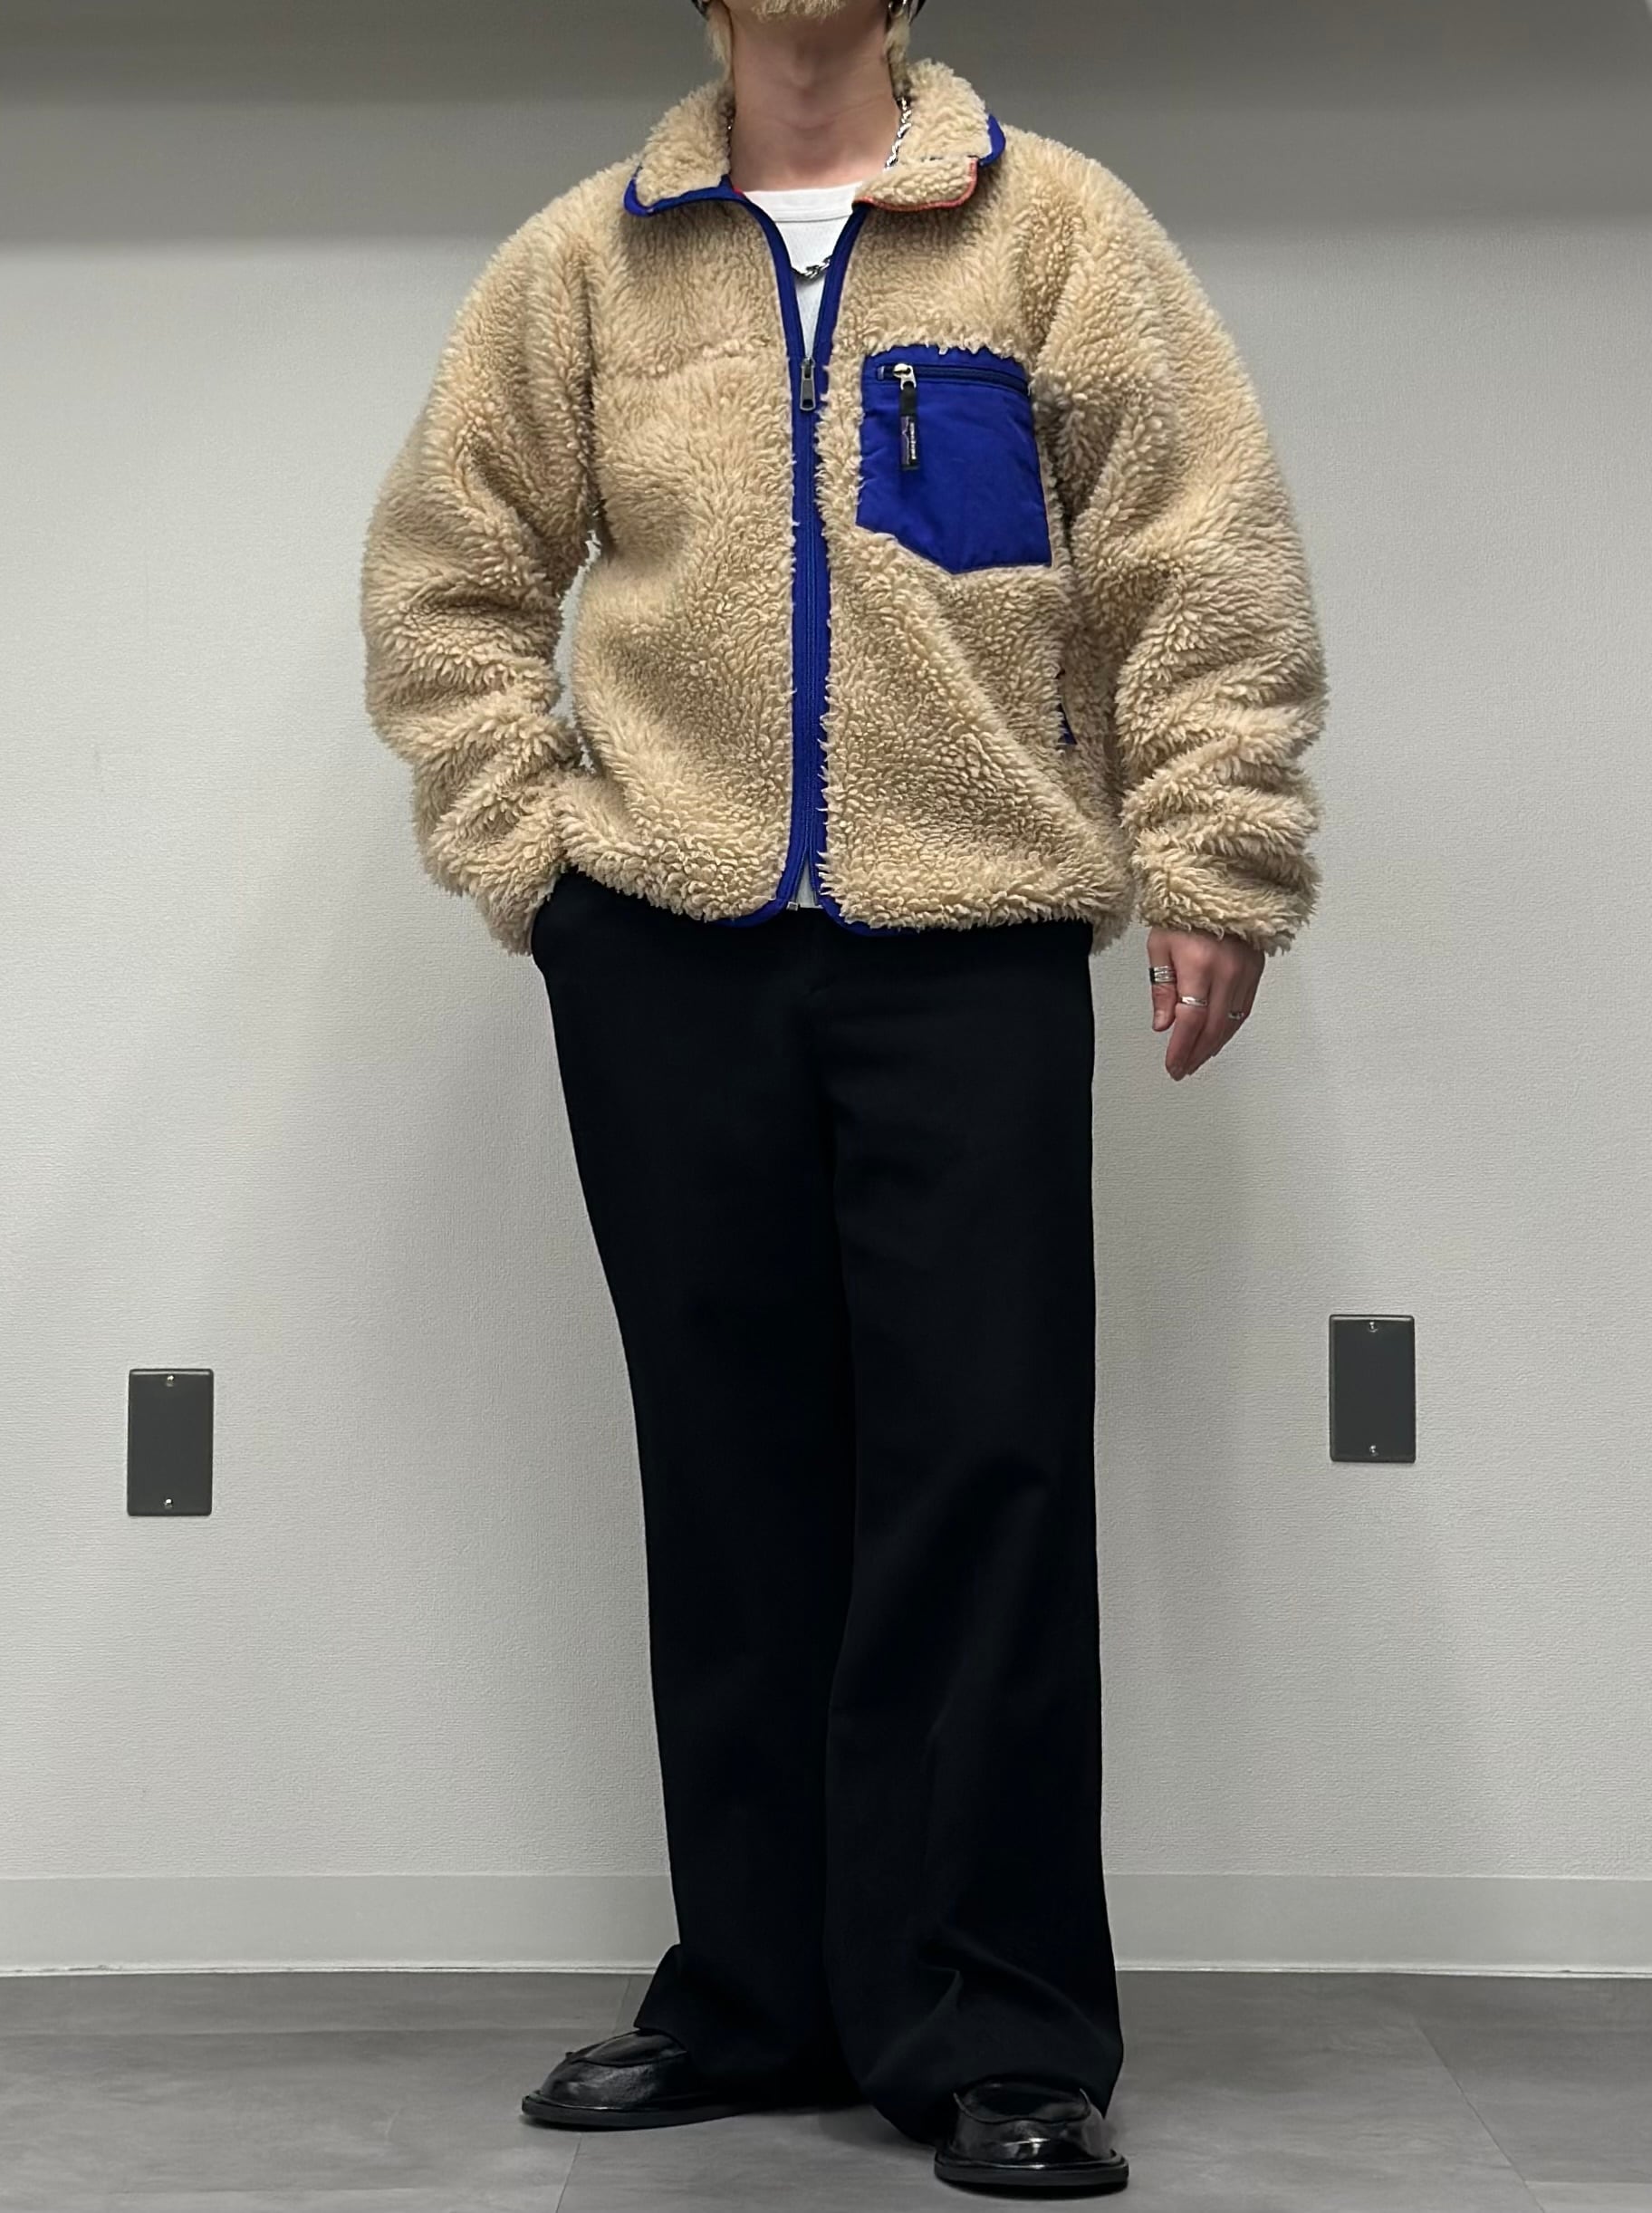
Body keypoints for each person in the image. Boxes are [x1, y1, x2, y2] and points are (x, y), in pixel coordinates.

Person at [359, 0, 1327, 2193]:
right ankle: (757, 1994)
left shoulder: (1055, 232)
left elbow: (1198, 555)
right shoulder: (584, 263)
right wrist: (537, 861)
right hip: (665, 953)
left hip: (966, 948)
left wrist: (1216, 856)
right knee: (729, 1475)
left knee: (984, 1471)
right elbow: (449, 575)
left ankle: (996, 2024)